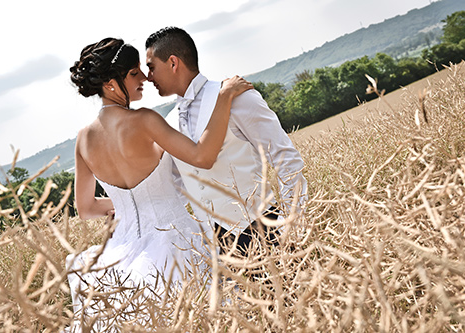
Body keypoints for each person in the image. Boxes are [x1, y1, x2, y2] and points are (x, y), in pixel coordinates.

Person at [65, 37, 253, 321]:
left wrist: (127, 206)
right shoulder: (144, 120)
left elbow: (86, 209)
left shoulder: (83, 140)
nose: (144, 77)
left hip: (121, 253)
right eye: (133, 73)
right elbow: (202, 156)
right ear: (110, 84)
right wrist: (224, 98)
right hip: (174, 240)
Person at [145, 27, 307, 257]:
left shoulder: (238, 97)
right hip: (217, 250)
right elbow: (178, 186)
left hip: (265, 229)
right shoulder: (168, 123)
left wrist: (294, 223)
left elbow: (285, 157)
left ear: (173, 63)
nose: (148, 77)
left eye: (151, 68)